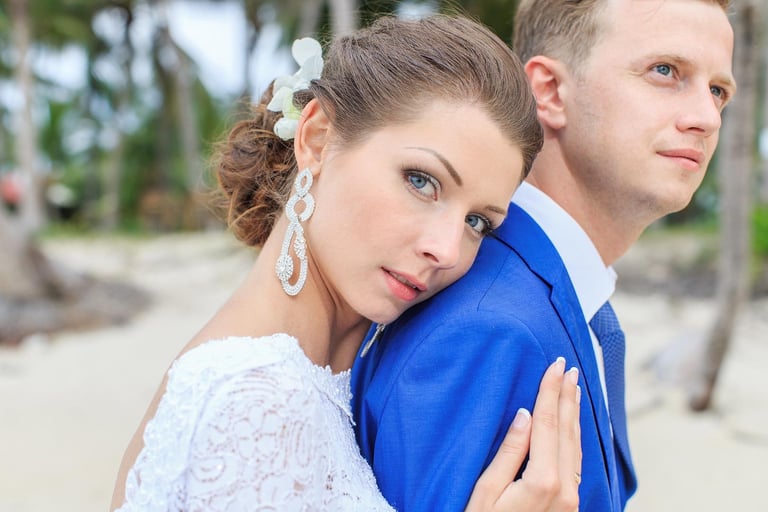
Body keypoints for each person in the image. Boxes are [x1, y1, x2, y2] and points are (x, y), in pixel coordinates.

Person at [110, 14, 583, 512]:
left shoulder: (308, 381)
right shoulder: (260, 403)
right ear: (317, 138)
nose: (446, 250)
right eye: (421, 181)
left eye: (478, 223)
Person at [351, 0, 737, 510]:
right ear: (551, 92)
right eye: (665, 71)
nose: (707, 118)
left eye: (718, 90)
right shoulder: (488, 330)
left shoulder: (552, 293)